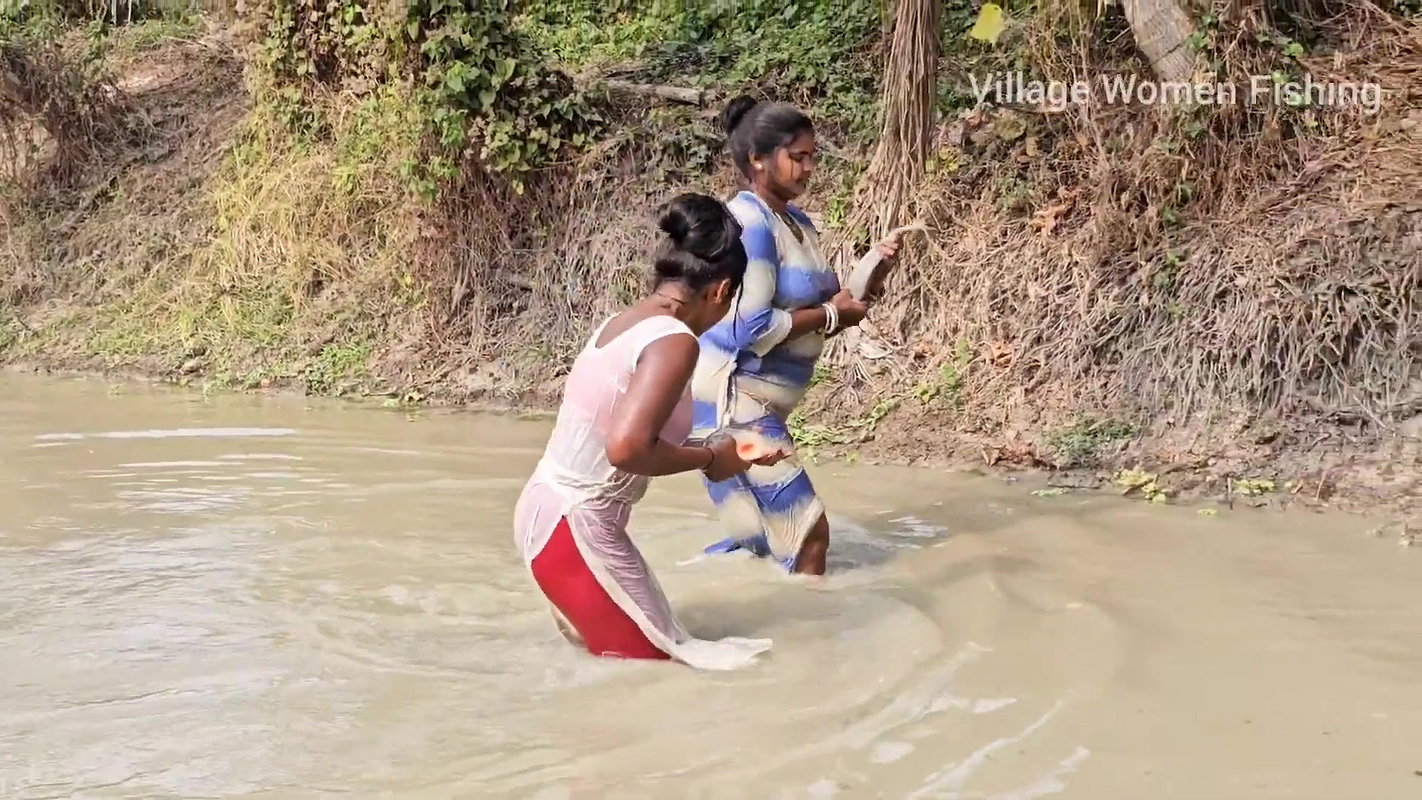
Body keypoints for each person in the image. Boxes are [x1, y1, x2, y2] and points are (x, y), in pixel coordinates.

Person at [513, 192, 778, 670]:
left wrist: (721, 448)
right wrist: (712, 459)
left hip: (549, 513)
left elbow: (622, 439)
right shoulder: (675, 341)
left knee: (626, 664)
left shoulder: (625, 322)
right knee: (660, 672)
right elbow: (627, 449)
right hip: (576, 528)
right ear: (719, 291)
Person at [691, 96, 903, 576]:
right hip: (733, 401)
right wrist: (831, 314)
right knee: (809, 534)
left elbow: (826, 303)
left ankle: (760, 627)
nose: (809, 168)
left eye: (813, 157)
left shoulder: (796, 222)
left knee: (762, 543)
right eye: (798, 157)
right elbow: (751, 326)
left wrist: (874, 269)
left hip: (760, 404)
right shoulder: (751, 224)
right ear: (757, 160)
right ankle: (813, 637)